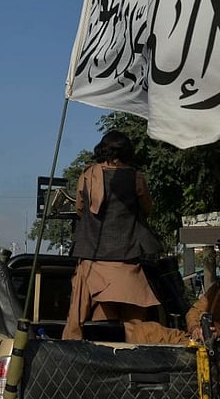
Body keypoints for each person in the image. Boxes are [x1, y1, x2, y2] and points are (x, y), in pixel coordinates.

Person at [62, 130, 161, 341]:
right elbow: (147, 210)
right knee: (135, 327)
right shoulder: (136, 178)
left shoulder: (87, 175)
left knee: (75, 323)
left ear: (103, 150)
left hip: (91, 259)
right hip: (126, 263)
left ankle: (66, 359)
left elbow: (80, 208)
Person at [126, 237, 220, 346]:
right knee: (144, 329)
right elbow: (193, 311)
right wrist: (195, 329)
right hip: (196, 340)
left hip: (219, 349)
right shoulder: (217, 288)